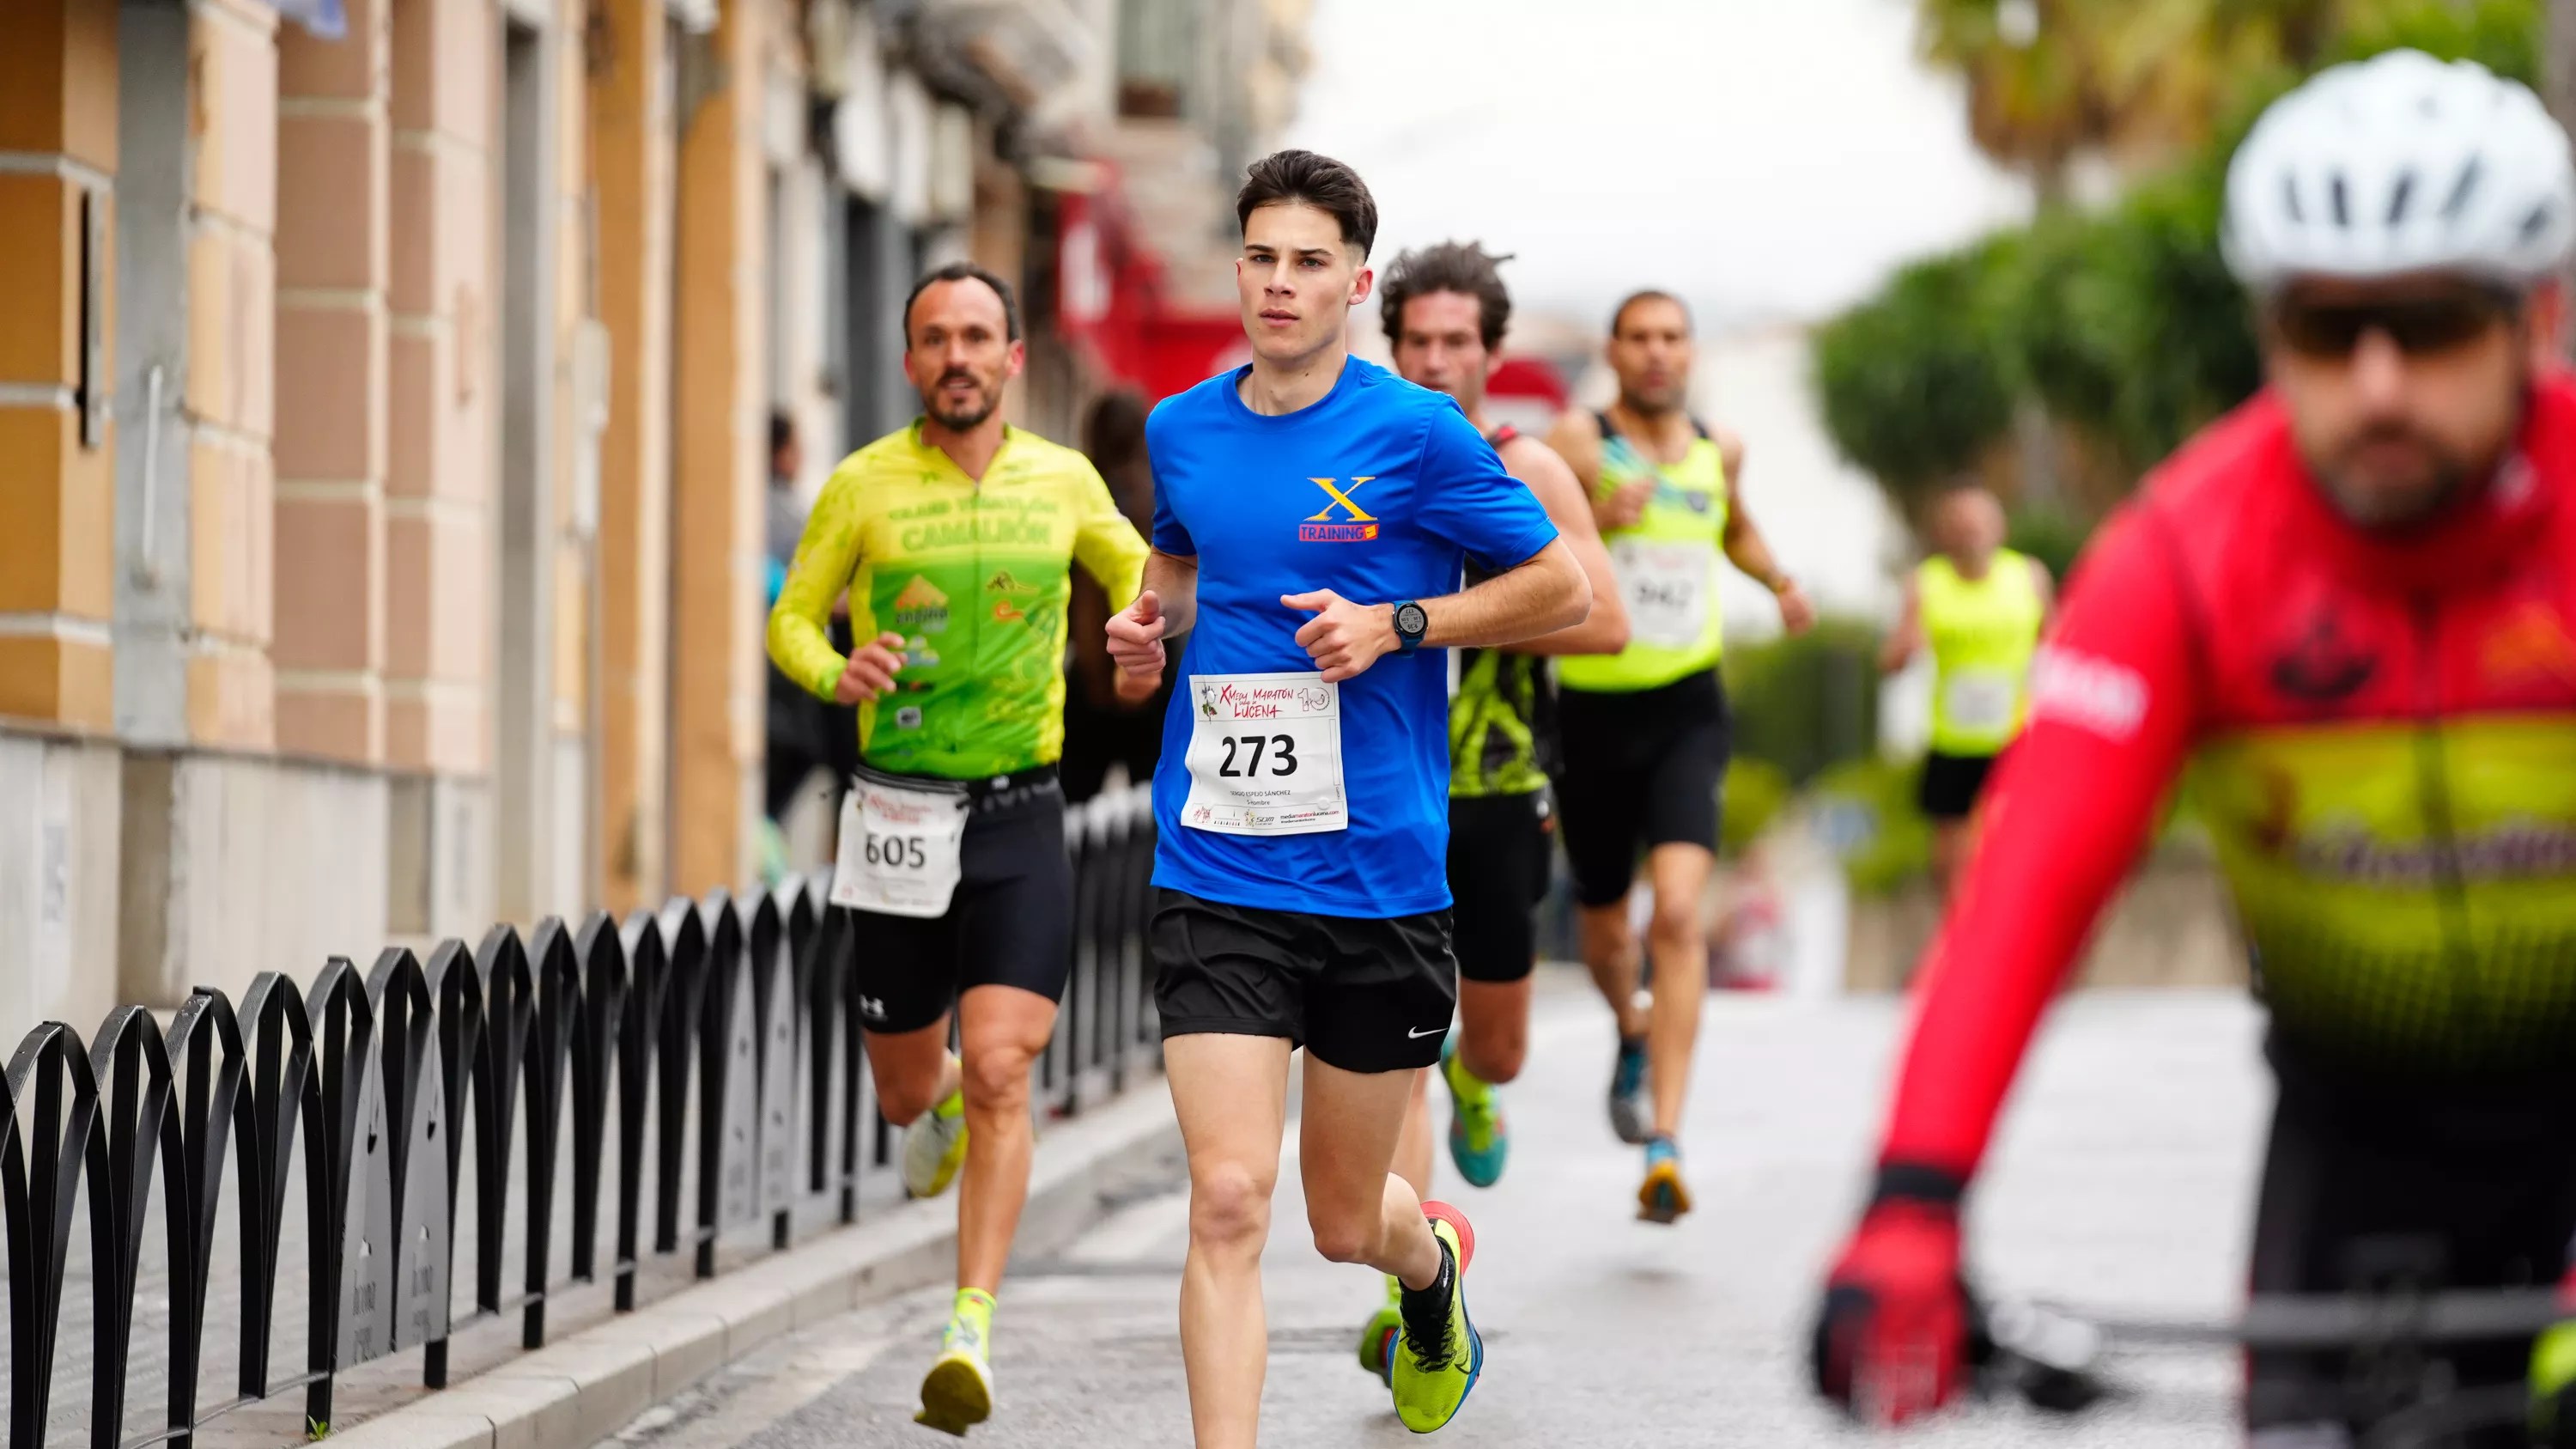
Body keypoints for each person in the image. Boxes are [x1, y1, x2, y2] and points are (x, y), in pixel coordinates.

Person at [1808, 51, 2576, 1449]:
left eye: (2434, 324)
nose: (2381, 383)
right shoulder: (2186, 552)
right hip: (2354, 1137)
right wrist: (1910, 1202)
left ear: (2537, 316)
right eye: (2329, 332)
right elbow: (2024, 895)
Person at [1103, 150, 1590, 1446]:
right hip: (1216, 867)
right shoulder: (1183, 427)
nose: (1280, 281)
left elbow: (1564, 592)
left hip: (1378, 875)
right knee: (1225, 1193)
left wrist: (1403, 621)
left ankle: (1427, 1268)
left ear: (1355, 284)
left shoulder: (1417, 434)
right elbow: (1184, 571)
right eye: (1261, 255)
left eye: (1310, 260)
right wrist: (1149, 636)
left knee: (1338, 1218)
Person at [767, 261, 1157, 1437]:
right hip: (894, 814)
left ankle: (969, 1321)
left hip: (1020, 812)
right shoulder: (863, 485)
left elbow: (1136, 567)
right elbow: (791, 612)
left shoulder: (1063, 479)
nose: (956, 355)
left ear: (1013, 356)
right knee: (906, 1091)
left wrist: (1141, 628)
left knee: (1000, 1066)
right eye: (934, 336)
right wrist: (839, 669)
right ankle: (923, 1096)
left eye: (976, 334)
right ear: (910, 361)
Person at [1350, 239, 1630, 1379]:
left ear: (1490, 351)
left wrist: (1451, 612)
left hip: (1500, 783)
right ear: (1394, 342)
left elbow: (1605, 621)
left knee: (1496, 1048)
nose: (1434, 359)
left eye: (1456, 342)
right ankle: (1411, 1280)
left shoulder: (1527, 467)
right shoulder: (1357, 458)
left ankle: (1478, 1075)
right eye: (1415, 340)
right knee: (1394, 1050)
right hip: (1381, 789)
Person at [1543, 289, 1815, 1224]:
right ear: (1613, 352)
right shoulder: (1577, 444)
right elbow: (1533, 550)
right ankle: (1629, 1024)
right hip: (1592, 712)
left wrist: (1777, 578)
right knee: (1608, 932)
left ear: (1691, 352)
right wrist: (1600, 525)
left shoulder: (1717, 447)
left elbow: (1730, 522)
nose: (1659, 353)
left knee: (1684, 914)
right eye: (1640, 338)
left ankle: (1664, 1138)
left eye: (1673, 338)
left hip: (1688, 708)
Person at [1877, 486, 2052, 898]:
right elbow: (1891, 661)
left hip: (2016, 738)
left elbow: (2061, 644)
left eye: (1979, 523)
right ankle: (1959, 941)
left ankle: (2012, 934)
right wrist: (1905, 645)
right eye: (1961, 525)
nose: (1971, 532)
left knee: (2013, 845)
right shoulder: (1926, 583)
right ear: (1945, 534)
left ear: (2000, 528)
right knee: (1950, 861)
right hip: (1953, 741)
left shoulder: (2028, 577)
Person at [1061, 391, 1171, 802]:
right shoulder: (1160, 499)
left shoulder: (1080, 500)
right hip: (1155, 673)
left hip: (1087, 677)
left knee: (1075, 813)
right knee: (1157, 810)